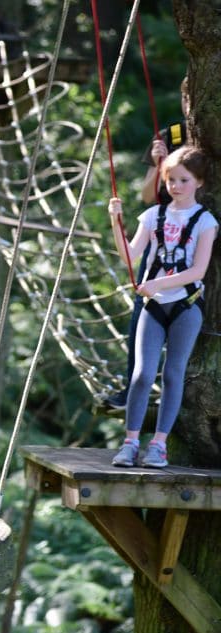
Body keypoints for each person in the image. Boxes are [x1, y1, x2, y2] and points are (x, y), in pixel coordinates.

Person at [107, 146, 217, 468]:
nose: (176, 186)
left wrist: (158, 284)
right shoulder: (153, 215)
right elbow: (130, 256)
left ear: (199, 182)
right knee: (142, 374)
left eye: (184, 180)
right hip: (153, 307)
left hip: (186, 306)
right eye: (171, 180)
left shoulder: (205, 221)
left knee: (173, 373)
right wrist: (116, 223)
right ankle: (130, 442)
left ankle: (158, 445)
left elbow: (198, 271)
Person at [105, 123, 187, 410]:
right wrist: (158, 164)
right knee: (144, 315)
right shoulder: (171, 135)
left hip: (196, 235)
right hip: (163, 239)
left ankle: (180, 393)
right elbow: (147, 196)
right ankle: (133, 389)